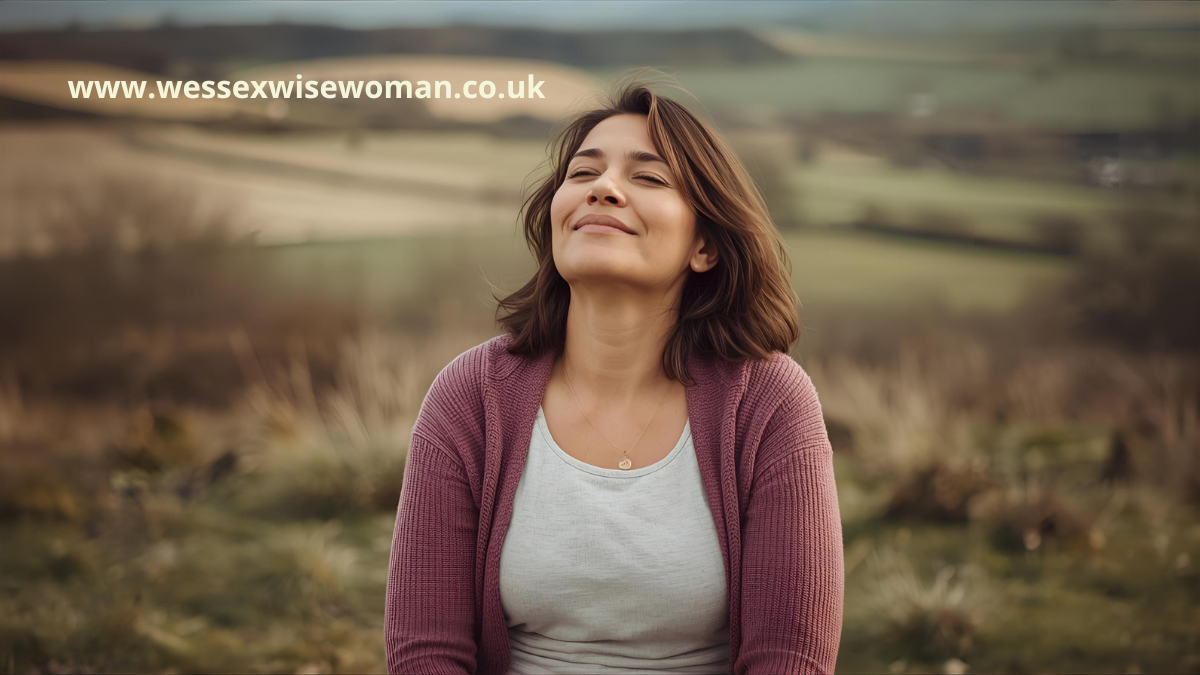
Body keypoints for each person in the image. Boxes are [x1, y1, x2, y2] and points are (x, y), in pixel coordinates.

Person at [385, 77, 844, 675]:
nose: (603, 188)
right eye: (582, 173)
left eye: (647, 177)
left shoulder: (768, 401)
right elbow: (427, 653)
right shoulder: (470, 395)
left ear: (704, 245)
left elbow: (789, 659)